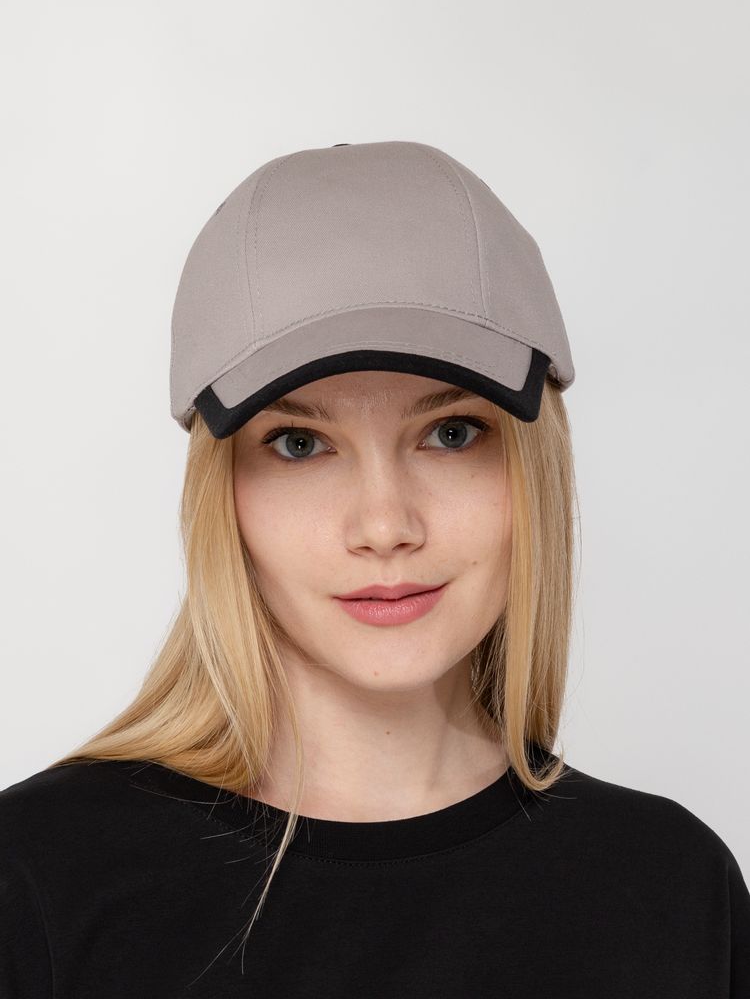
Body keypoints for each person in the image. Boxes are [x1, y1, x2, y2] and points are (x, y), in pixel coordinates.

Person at [1, 140, 748, 998]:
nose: (386, 526)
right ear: (220, 494)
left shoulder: (669, 887)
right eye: (299, 443)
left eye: (452, 433)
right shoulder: (35, 885)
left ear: (534, 466)